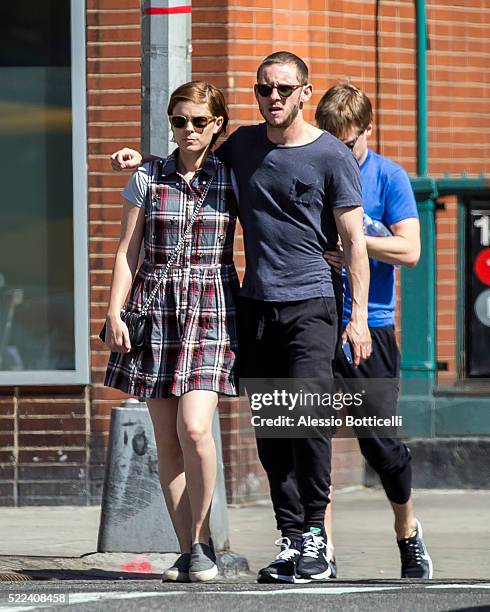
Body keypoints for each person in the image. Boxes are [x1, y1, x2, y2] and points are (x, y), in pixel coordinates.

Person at [111, 51, 372, 584]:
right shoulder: (242, 150)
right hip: (250, 306)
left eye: (283, 89)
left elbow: (352, 241)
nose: (272, 98)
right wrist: (138, 161)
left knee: (304, 420)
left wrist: (359, 315)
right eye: (263, 89)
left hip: (300, 304)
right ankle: (286, 539)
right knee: (272, 428)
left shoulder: (322, 157)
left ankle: (316, 536)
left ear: (305, 92)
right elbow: (177, 167)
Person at [103, 81, 240, 583]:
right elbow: (126, 251)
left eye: (199, 121)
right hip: (155, 309)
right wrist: (116, 311)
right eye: (179, 120)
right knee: (168, 441)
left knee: (196, 428)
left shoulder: (233, 176)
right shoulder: (148, 176)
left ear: (217, 124)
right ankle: (190, 550)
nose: (188, 130)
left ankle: (201, 538)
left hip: (211, 309)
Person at [317, 83, 433, 579]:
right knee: (307, 438)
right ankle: (319, 548)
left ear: (366, 130)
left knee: (381, 445)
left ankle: (408, 533)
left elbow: (410, 251)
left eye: (347, 143)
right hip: (315, 322)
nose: (338, 152)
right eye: (330, 141)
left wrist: (357, 240)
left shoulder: (388, 177)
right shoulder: (312, 165)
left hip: (373, 328)